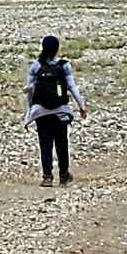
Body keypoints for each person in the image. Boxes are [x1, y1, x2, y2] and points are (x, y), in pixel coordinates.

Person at [24, 35, 89, 188]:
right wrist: (81, 106)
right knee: (62, 143)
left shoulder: (36, 66)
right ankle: (64, 175)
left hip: (41, 112)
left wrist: (30, 112)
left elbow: (29, 91)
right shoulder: (64, 66)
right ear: (57, 48)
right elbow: (72, 87)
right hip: (61, 111)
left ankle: (47, 177)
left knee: (45, 144)